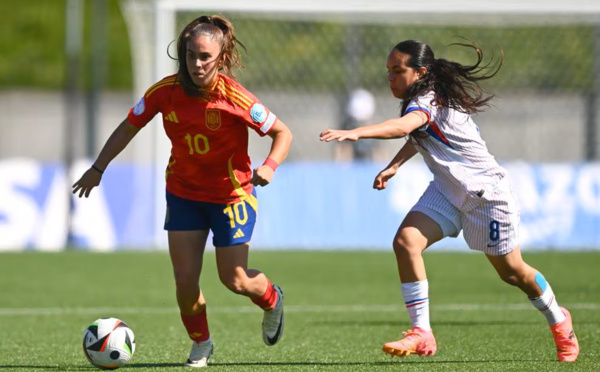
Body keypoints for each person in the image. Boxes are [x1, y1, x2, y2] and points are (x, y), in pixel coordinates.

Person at [320, 39, 579, 362]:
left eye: (397, 71)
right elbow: (419, 136)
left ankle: (560, 321)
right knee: (405, 243)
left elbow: (404, 128)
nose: (390, 78)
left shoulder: (428, 100)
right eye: (388, 71)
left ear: (421, 72)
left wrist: (357, 133)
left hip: (486, 197)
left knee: (513, 272)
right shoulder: (420, 99)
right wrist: (394, 166)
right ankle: (422, 333)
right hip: (447, 190)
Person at [72, 15, 292, 368]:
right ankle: (201, 344)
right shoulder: (164, 91)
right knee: (185, 281)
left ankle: (271, 299)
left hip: (231, 196)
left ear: (221, 58)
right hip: (184, 193)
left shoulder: (234, 97)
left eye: (205, 56)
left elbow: (283, 133)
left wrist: (269, 166)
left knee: (234, 279)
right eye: (191, 55)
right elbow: (129, 127)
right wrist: (98, 168)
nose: (197, 63)